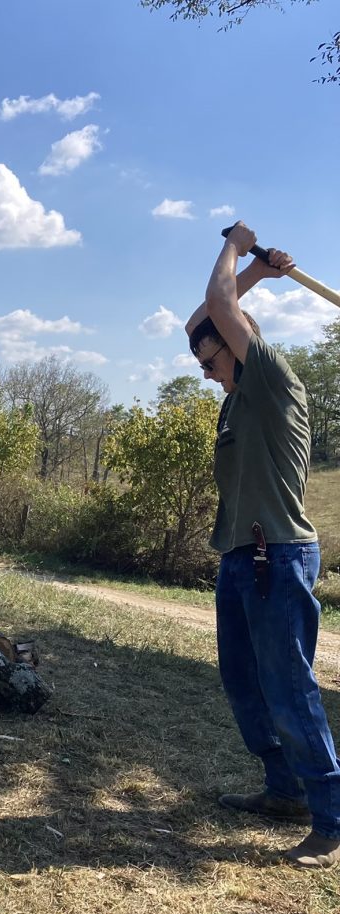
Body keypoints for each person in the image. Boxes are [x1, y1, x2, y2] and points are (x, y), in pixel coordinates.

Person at [185, 221, 340, 869]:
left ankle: (330, 818)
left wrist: (235, 244)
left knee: (288, 687)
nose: (205, 372)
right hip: (239, 558)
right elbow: (203, 320)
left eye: (211, 362)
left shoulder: (274, 381)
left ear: (241, 346)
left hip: (277, 556)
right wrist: (260, 271)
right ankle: (285, 792)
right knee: (244, 684)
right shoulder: (235, 398)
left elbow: (219, 309)